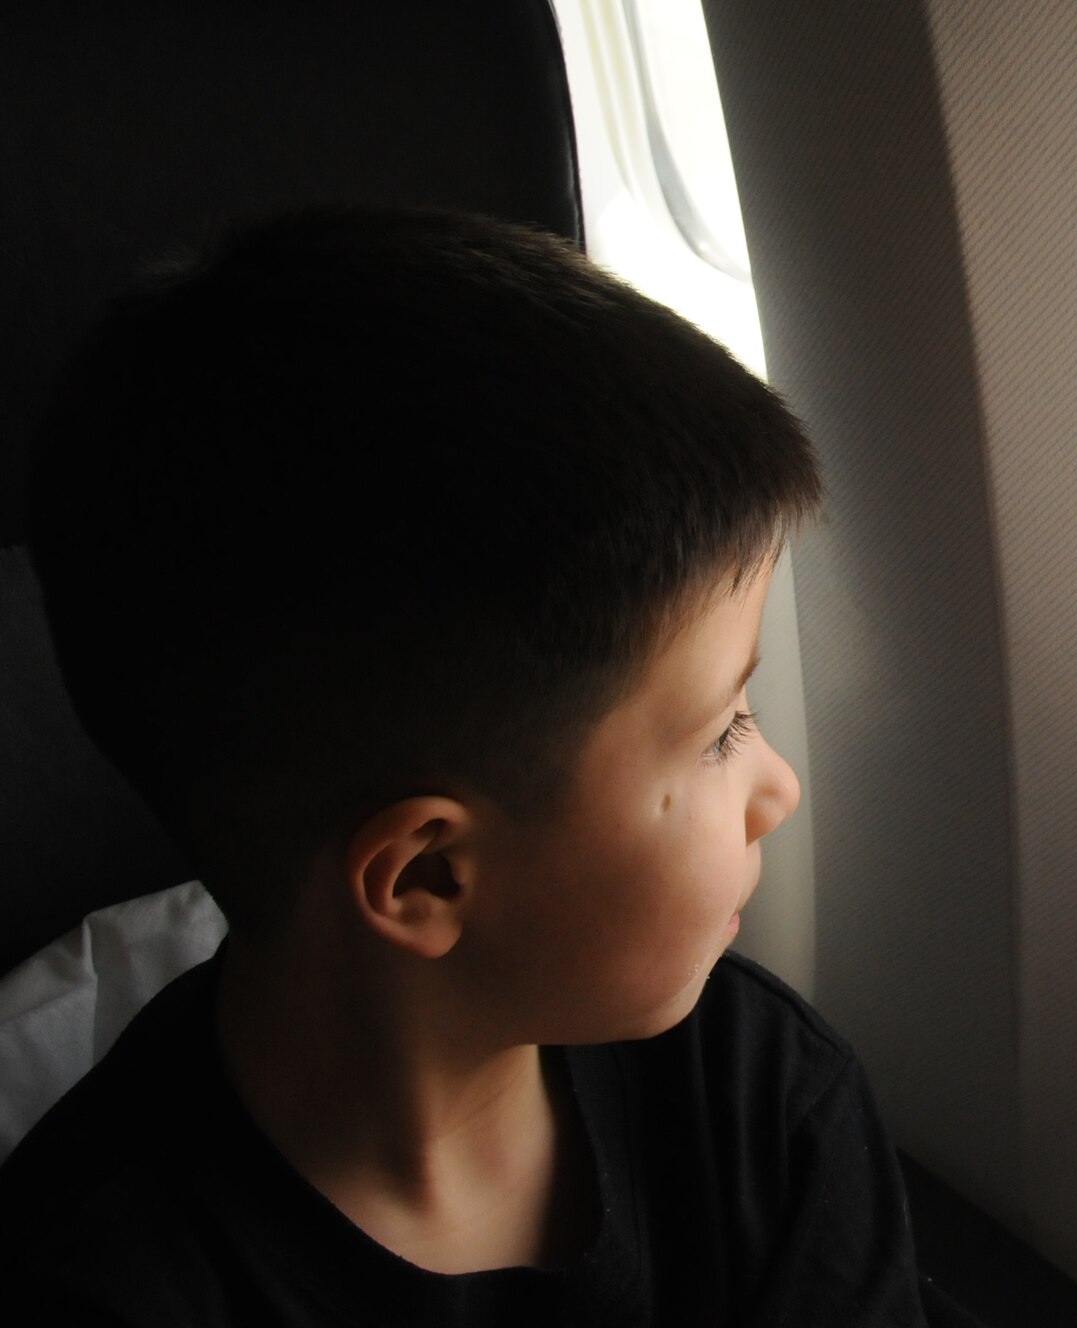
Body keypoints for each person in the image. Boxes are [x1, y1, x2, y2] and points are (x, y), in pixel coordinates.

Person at [0, 207, 932, 1325]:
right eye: (721, 730)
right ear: (427, 876)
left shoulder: (754, 1093)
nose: (776, 787)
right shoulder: (92, 1283)